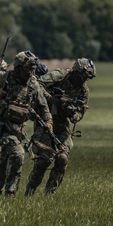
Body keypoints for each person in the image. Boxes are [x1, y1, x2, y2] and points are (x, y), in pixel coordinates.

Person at [24, 58, 96, 196]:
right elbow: (37, 83)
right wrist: (52, 99)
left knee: (62, 158)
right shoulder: (60, 75)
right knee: (44, 159)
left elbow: (79, 115)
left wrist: (71, 112)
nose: (84, 80)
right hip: (45, 121)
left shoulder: (84, 91)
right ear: (76, 72)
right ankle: (30, 189)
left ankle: (50, 194)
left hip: (63, 125)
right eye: (82, 76)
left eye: (87, 78)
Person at [0, 51, 50, 198]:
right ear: (18, 67)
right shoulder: (4, 77)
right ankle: (10, 193)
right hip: (1, 125)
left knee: (7, 159)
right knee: (18, 154)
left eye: (32, 69)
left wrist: (48, 120)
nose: (30, 72)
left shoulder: (33, 83)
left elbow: (43, 105)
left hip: (18, 128)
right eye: (27, 68)